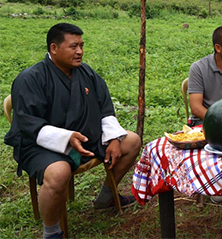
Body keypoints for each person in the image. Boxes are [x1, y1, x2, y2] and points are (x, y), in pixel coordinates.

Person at [4, 23, 141, 239]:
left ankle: (106, 198)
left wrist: (114, 139)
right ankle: (51, 232)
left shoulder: (86, 72)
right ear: (54, 48)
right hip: (40, 144)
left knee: (131, 141)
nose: (79, 52)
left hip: (86, 136)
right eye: (73, 46)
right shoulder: (31, 78)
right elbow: (29, 124)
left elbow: (105, 107)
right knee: (59, 173)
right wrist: (66, 137)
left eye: (81, 46)